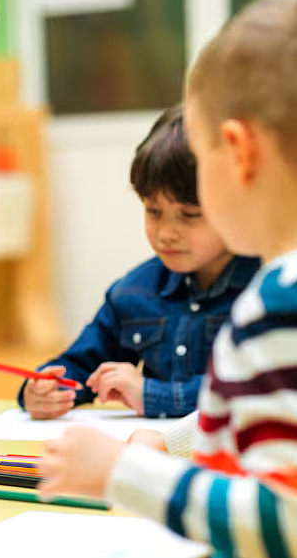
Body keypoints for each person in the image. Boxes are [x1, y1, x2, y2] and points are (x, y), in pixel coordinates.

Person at [41, 0, 297, 555]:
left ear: (237, 152)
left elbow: (284, 519)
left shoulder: (277, 308)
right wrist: (172, 441)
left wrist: (123, 474)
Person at [19, 105, 258, 420]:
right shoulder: (134, 292)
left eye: (189, 216)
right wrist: (43, 390)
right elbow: (77, 365)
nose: (166, 233)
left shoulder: (268, 289)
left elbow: (256, 391)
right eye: (153, 211)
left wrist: (155, 396)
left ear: (237, 206)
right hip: (154, 460)